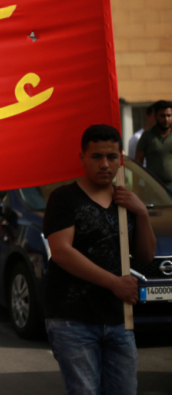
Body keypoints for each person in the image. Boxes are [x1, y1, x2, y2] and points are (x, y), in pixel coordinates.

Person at [44, 124, 156, 395]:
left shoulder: (125, 201)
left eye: (112, 157)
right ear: (82, 158)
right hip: (73, 320)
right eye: (96, 157)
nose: (105, 164)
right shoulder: (64, 198)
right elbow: (61, 252)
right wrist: (114, 283)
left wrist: (141, 213)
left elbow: (145, 255)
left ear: (121, 159)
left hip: (118, 319)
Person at [135, 100, 172, 187]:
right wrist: (138, 185)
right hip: (154, 187)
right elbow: (138, 161)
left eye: (169, 116)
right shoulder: (147, 135)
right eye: (162, 116)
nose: (166, 119)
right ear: (155, 116)